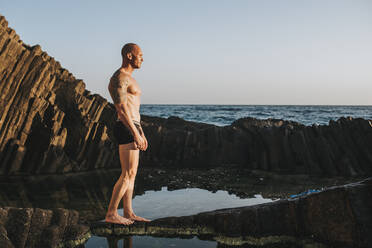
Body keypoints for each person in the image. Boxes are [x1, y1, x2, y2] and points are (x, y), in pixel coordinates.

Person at [105, 43, 150, 225]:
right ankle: (111, 213)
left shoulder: (130, 78)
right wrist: (135, 133)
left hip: (134, 126)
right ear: (130, 55)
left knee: (132, 174)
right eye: (140, 55)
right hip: (125, 127)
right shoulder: (119, 78)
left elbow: (134, 110)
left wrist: (141, 132)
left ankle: (129, 212)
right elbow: (122, 110)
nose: (142, 58)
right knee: (127, 173)